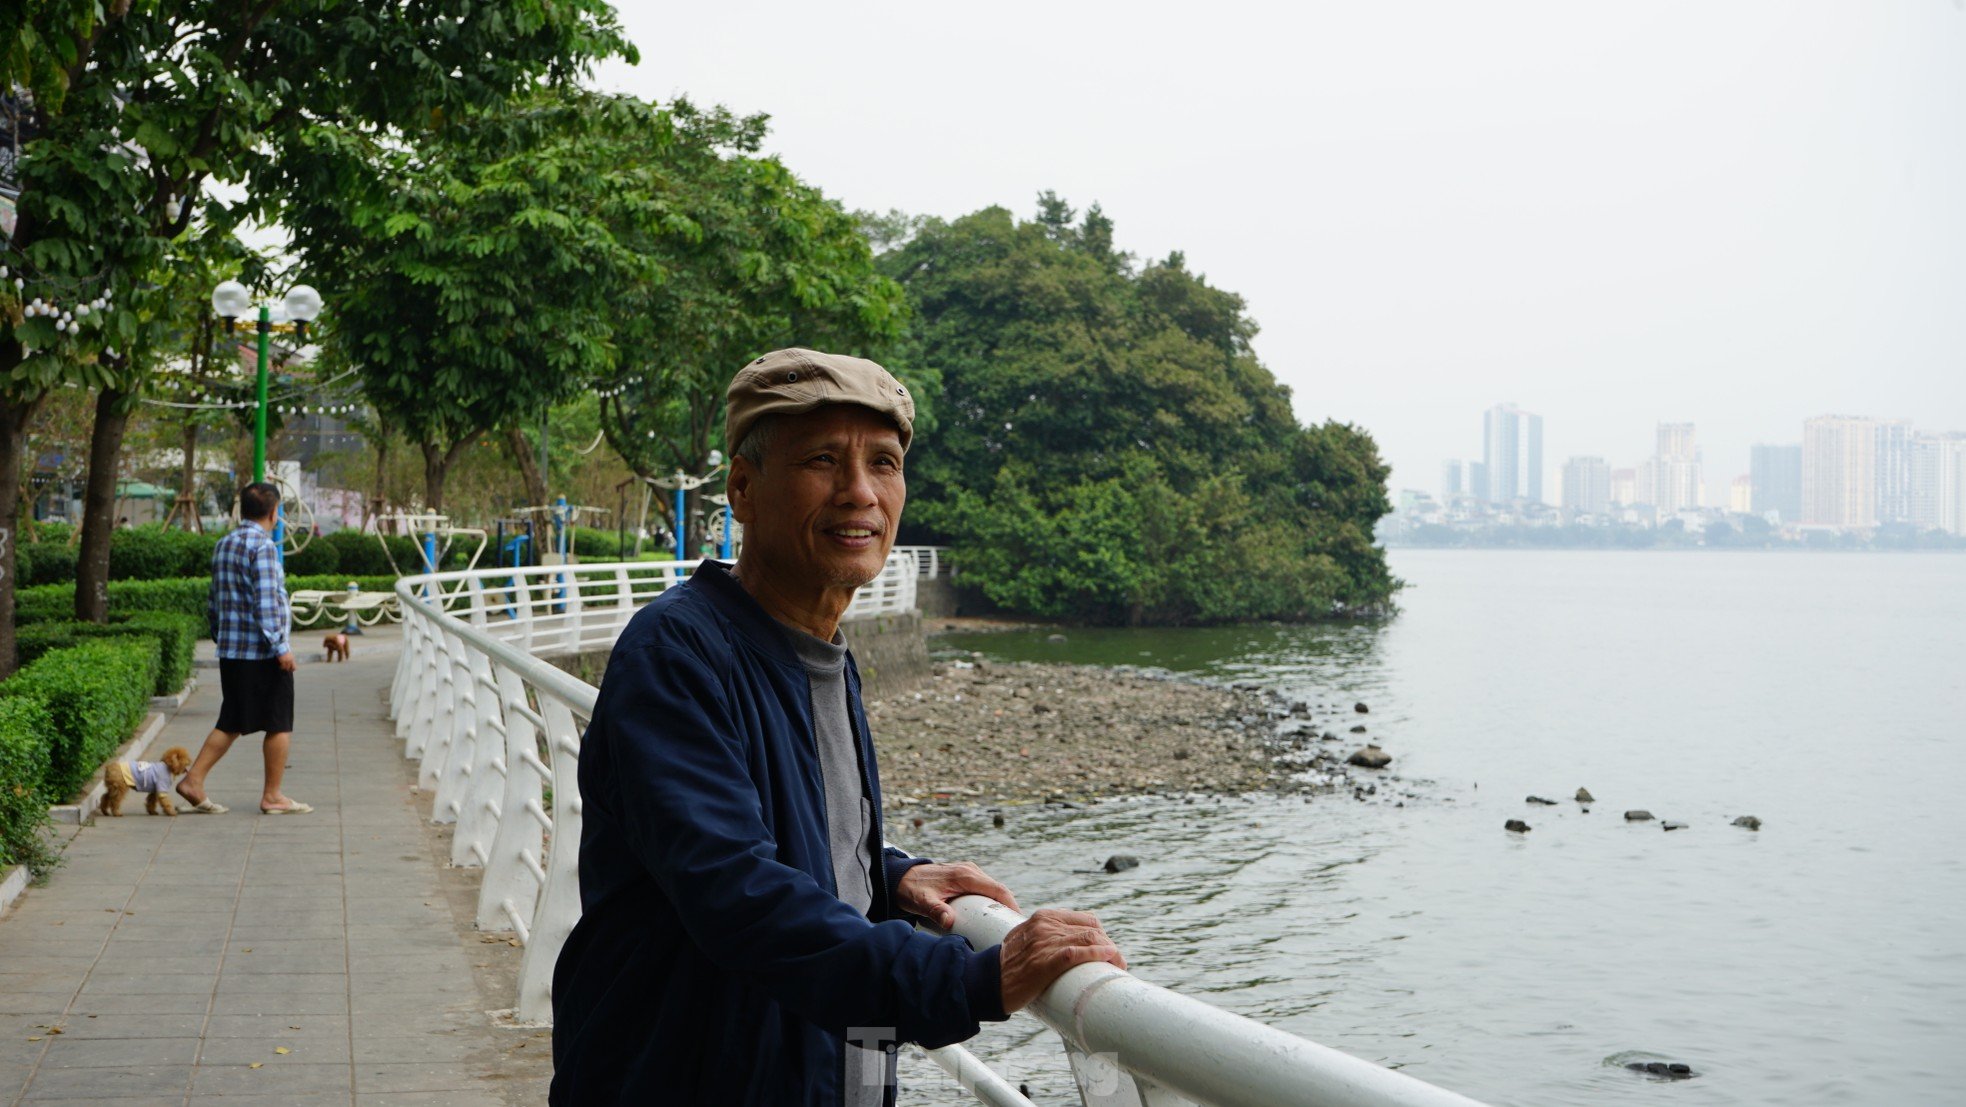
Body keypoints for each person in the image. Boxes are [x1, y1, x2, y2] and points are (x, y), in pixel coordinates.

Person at [552, 349, 1126, 1105]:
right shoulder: (676, 653)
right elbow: (736, 892)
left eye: (883, 463)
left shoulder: (820, 649)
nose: (860, 491)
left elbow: (782, 824)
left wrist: (885, 876)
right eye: (823, 460)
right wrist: (975, 976)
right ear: (743, 489)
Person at [176, 481, 311, 816]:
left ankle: (193, 780)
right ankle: (273, 795)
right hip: (262, 652)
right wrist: (282, 647)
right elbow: (266, 602)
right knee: (279, 721)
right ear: (273, 511)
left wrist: (221, 638)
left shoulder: (224, 544)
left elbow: (214, 601)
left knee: (233, 719)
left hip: (233, 652)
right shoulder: (262, 547)